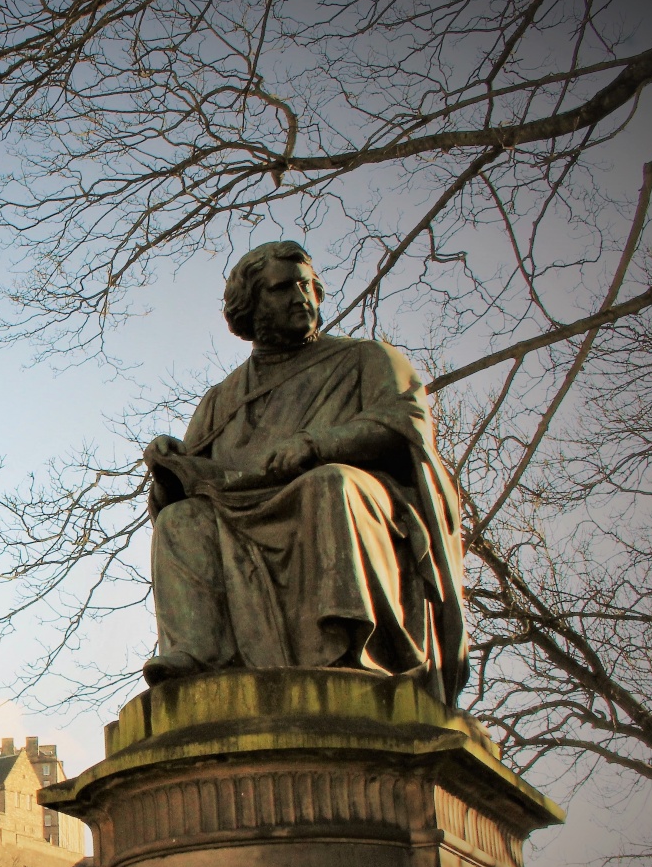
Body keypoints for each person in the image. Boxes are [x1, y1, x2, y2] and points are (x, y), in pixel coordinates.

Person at [142, 241, 469, 703]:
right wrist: (170, 466)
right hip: (243, 510)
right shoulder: (222, 399)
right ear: (250, 307)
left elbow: (406, 425)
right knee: (181, 522)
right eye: (282, 289)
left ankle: (341, 651)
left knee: (327, 482)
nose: (301, 297)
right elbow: (188, 488)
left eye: (307, 286)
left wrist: (319, 445)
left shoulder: (365, 359)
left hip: (354, 503)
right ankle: (199, 653)